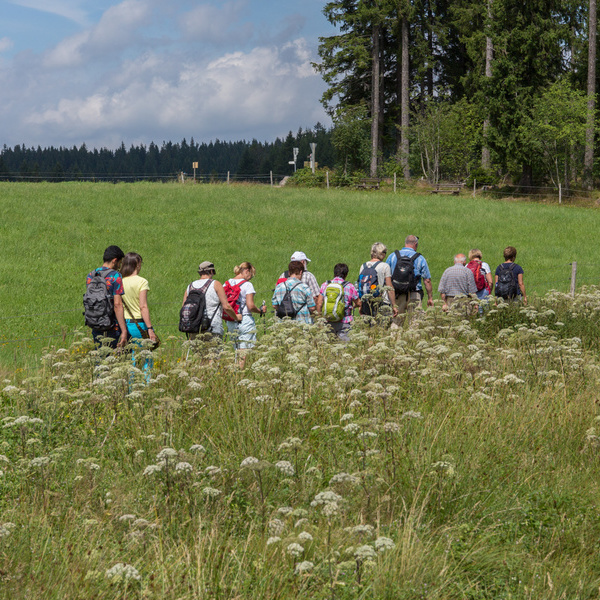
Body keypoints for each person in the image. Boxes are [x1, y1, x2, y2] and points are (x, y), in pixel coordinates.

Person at [121, 252, 157, 381]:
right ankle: (147, 384)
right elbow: (143, 306)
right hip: (139, 323)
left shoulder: (120, 281)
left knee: (132, 358)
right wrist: (150, 328)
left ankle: (131, 386)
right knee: (147, 357)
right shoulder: (142, 281)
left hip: (124, 324)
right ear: (137, 264)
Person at [223, 262, 266, 367]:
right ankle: (239, 376)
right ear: (247, 271)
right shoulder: (247, 285)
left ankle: (234, 374)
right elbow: (250, 305)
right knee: (243, 354)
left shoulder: (226, 283)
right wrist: (260, 311)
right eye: (251, 275)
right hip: (245, 320)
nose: (250, 278)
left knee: (236, 351)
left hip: (231, 320)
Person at [84, 245, 128, 349]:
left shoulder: (91, 275)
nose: (119, 266)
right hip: (112, 325)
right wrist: (124, 330)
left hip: (95, 322)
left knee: (100, 356)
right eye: (120, 263)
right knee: (113, 359)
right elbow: (117, 304)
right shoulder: (115, 276)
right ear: (114, 260)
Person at [182, 261, 239, 339]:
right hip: (212, 328)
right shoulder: (215, 284)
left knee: (199, 351)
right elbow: (226, 307)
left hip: (194, 329)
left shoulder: (190, 286)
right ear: (211, 271)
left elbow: (183, 307)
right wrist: (236, 317)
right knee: (214, 351)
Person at [386, 235, 434, 315]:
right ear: (415, 244)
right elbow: (427, 280)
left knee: (397, 319)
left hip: (397, 294)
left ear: (405, 243)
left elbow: (386, 276)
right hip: (414, 293)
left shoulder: (393, 256)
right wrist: (430, 297)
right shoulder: (420, 258)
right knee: (415, 321)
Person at [316, 263, 361, 341]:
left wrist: (320, 319)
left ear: (334, 273)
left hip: (328, 321)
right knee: (344, 349)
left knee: (329, 347)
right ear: (346, 274)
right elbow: (359, 303)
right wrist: (354, 306)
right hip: (345, 322)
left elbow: (319, 303)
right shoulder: (349, 286)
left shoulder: (325, 285)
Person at [357, 243, 398, 317]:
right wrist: (394, 305)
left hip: (367, 302)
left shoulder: (363, 266)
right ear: (381, 253)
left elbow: (360, 286)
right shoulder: (385, 266)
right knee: (382, 326)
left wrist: (360, 304)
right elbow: (389, 287)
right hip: (382, 302)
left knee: (368, 326)